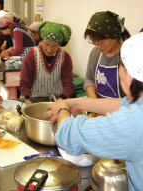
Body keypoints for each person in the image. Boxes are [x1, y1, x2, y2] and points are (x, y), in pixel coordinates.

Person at [46, 32, 143, 191]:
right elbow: (123, 104)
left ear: (131, 76)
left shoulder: (135, 123)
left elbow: (69, 135)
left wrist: (63, 108)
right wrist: (78, 102)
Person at [20, 21, 75, 103]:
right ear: (41, 40)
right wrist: (28, 101)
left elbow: (68, 83)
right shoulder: (32, 55)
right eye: (46, 44)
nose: (49, 50)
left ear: (60, 44)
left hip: (58, 100)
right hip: (34, 100)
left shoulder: (65, 57)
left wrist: (61, 99)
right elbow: (24, 82)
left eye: (54, 46)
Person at [84, 11, 130, 99]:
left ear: (114, 36)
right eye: (94, 43)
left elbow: (134, 92)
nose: (97, 47)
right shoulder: (95, 53)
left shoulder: (128, 55)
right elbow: (89, 79)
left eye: (101, 43)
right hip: (99, 108)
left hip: (122, 109)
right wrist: (93, 100)